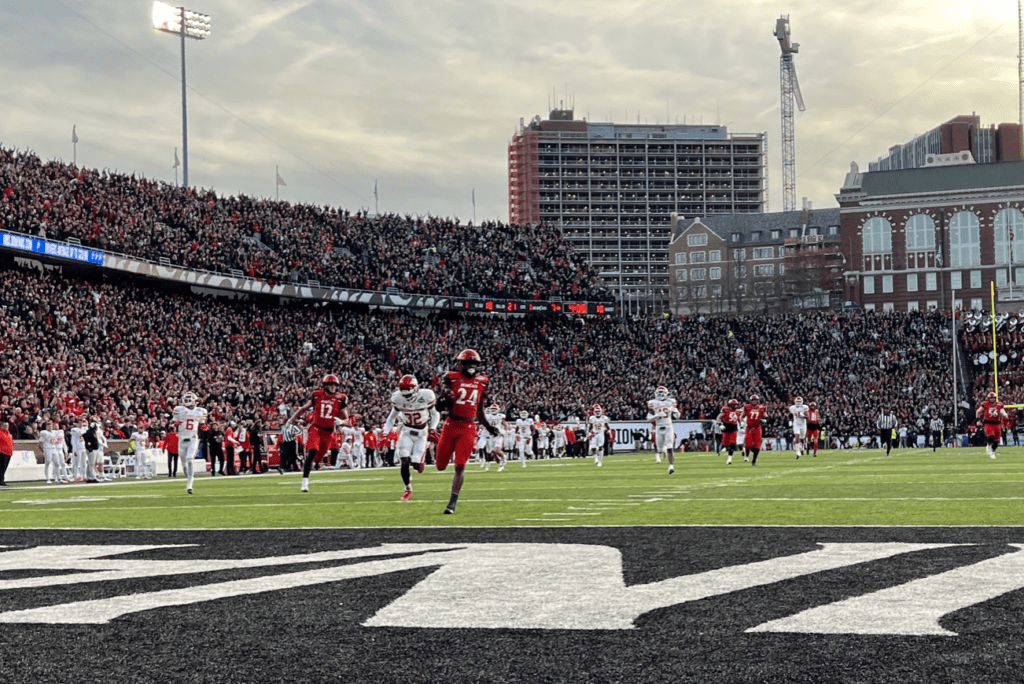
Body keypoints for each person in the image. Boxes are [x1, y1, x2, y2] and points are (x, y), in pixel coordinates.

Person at [434, 349, 499, 515]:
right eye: (467, 363)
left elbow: (480, 410)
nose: (471, 366)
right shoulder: (451, 377)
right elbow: (439, 407)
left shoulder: (483, 381)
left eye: (474, 363)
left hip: (468, 427)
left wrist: (488, 426)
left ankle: (452, 502)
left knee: (460, 465)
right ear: (460, 364)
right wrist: (443, 399)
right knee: (440, 465)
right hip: (451, 425)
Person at [285, 374, 349, 493]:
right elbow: (303, 408)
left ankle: (314, 463)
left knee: (319, 456)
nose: (333, 386)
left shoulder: (341, 398)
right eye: (330, 384)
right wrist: (291, 420)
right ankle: (304, 482)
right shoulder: (317, 395)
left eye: (334, 384)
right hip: (316, 428)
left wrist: (341, 422)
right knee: (312, 451)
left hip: (329, 432)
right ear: (325, 385)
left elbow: (348, 420)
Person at [383, 374, 440, 501]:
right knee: (404, 460)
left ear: (416, 389)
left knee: (416, 464)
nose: (407, 397)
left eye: (409, 394)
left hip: (422, 433)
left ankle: (420, 462)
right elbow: (391, 417)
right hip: (406, 431)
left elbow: (435, 414)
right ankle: (408, 489)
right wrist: (385, 433)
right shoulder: (397, 398)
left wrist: (433, 428)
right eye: (404, 395)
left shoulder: (426, 395)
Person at [173, 391, 208, 494]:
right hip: (181, 440)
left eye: (188, 399)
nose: (186, 401)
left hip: (193, 439)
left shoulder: (200, 411)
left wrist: (203, 428)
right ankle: (188, 478)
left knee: (190, 460)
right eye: (186, 399)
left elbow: (202, 425)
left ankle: (189, 485)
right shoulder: (179, 409)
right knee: (184, 464)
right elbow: (171, 424)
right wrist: (174, 424)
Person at [647, 385, 680, 473]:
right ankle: (664, 449)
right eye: (658, 393)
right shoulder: (652, 403)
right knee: (660, 450)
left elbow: (678, 416)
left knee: (670, 447)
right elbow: (648, 418)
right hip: (658, 427)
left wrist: (675, 411)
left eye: (662, 393)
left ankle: (671, 466)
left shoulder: (671, 401)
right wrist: (657, 415)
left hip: (668, 426)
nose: (660, 395)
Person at [976, 391, 1007, 459]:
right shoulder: (985, 404)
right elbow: (978, 411)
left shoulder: (999, 404)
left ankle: (993, 452)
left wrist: (1005, 414)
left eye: (993, 398)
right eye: (991, 398)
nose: (992, 399)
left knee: (997, 441)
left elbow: (1002, 411)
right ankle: (989, 445)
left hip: (997, 423)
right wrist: (978, 420)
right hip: (988, 423)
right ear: (988, 398)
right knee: (991, 436)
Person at [40, 419, 70, 484]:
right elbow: (40, 443)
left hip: (54, 448)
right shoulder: (44, 433)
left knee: (57, 463)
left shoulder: (54, 432)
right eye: (48, 425)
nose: (50, 426)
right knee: (48, 463)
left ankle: (58, 478)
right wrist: (43, 451)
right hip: (47, 449)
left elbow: (60, 434)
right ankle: (48, 479)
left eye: (50, 424)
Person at [743, 394, 767, 466]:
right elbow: (742, 415)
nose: (754, 401)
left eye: (755, 400)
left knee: (757, 445)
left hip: (757, 428)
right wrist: (741, 422)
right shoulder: (747, 407)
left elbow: (765, 415)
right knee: (748, 445)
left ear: (758, 401)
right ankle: (747, 455)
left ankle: (754, 460)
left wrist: (764, 419)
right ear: (750, 401)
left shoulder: (762, 407)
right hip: (749, 428)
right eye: (753, 400)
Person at [717, 399, 741, 467]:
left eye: (736, 405)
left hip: (734, 427)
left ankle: (729, 459)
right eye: (734, 405)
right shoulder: (725, 409)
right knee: (725, 444)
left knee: (732, 443)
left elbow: (739, 419)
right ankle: (722, 449)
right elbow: (719, 417)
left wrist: (741, 424)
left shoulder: (737, 411)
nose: (735, 406)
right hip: (726, 427)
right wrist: (720, 424)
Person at [0, 419, 14, 487]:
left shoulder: (9, 434)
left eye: (7, 425)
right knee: (1, 468)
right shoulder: (0, 433)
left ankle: (2, 480)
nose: (6, 426)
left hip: (8, 453)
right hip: (2, 452)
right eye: (5, 425)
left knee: (4, 468)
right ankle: (1, 481)